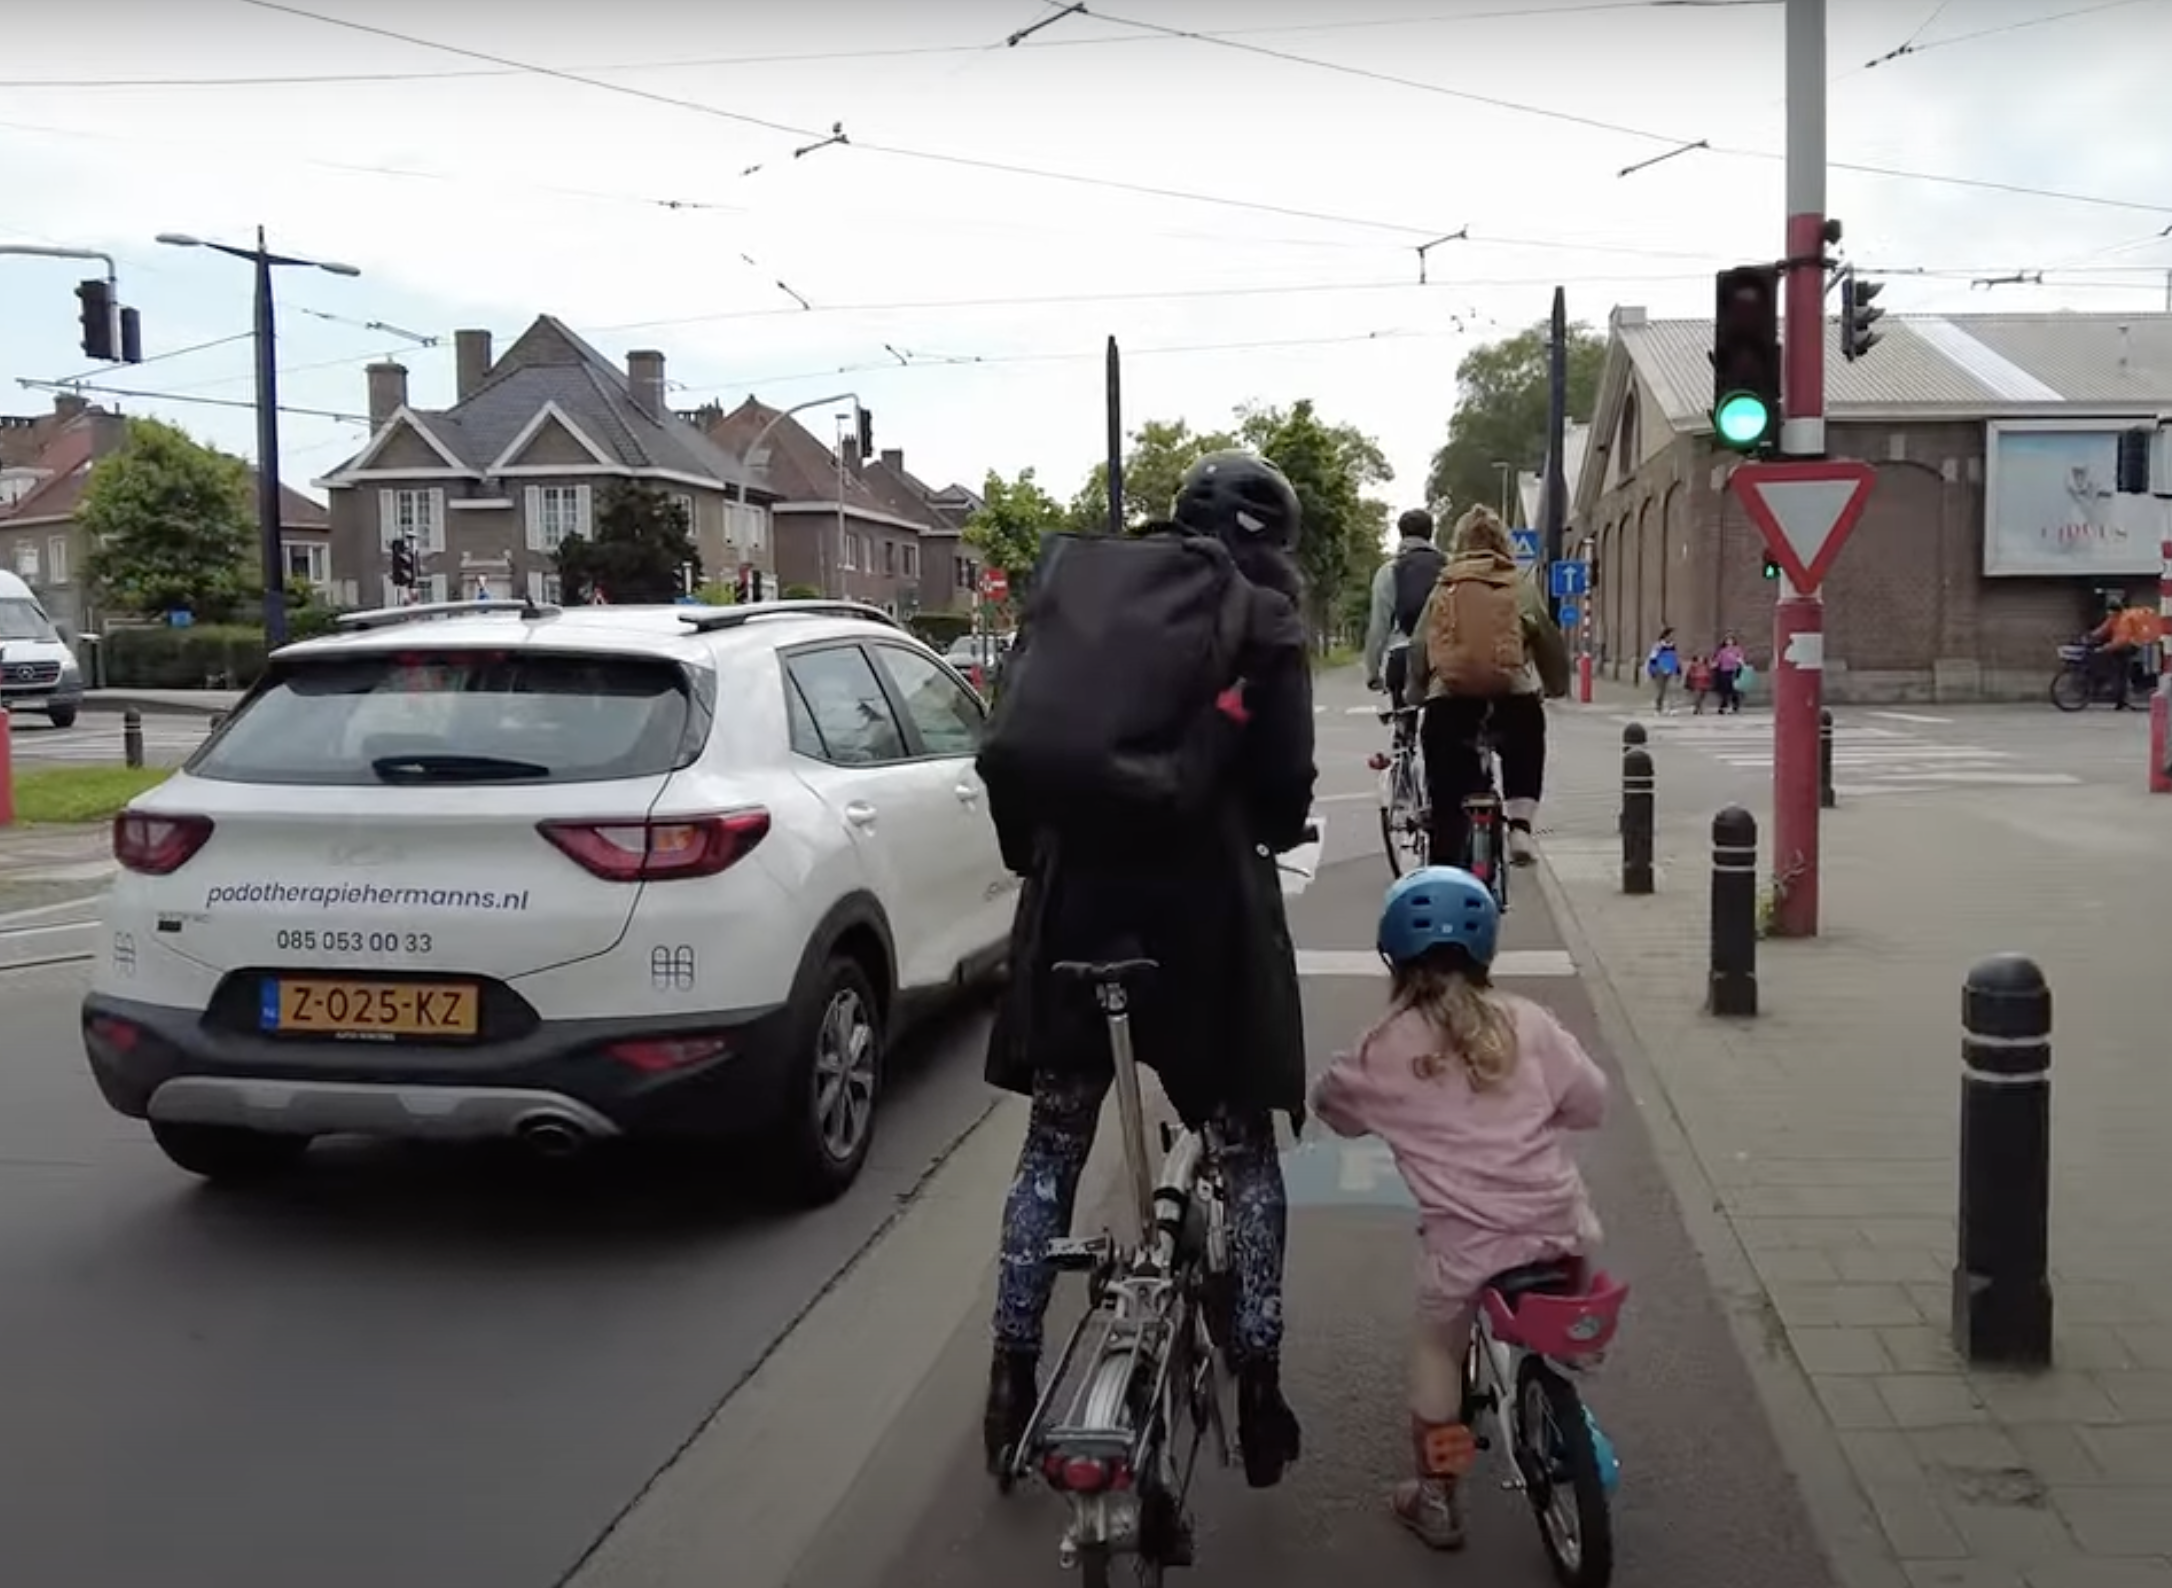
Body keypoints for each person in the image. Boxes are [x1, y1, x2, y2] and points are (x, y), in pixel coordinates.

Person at [978, 449, 1316, 1497]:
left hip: (1078, 900)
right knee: (1244, 1150)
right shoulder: (1264, 616)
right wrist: (1248, 819)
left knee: (1051, 1148)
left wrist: (1039, 856)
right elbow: (1283, 781)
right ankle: (1259, 1380)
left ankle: (1010, 1375)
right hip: (1204, 911)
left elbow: (1020, 752)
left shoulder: (1083, 601)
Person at [1309, 865, 1608, 1551]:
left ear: (1392, 954)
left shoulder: (1383, 1049)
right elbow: (1590, 1100)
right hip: (1560, 1231)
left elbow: (1333, 1108)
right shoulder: (1530, 1022)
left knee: (1436, 1352)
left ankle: (1437, 1495)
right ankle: (1564, 1389)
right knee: (1561, 1308)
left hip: (1466, 1253)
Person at [1403, 506, 1569, 872]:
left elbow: (1419, 646)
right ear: (1503, 543)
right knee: (1525, 744)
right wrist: (1556, 685)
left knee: (1447, 797)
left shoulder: (1445, 587)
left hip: (1450, 702)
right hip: (1511, 697)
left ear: (1459, 544)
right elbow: (1548, 640)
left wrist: (1416, 693)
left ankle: (1445, 864)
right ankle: (1520, 827)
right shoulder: (1519, 586)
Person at [1364, 507, 1449, 710]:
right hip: (1442, 657)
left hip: (1402, 655)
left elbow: (1379, 626)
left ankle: (1404, 732)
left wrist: (1373, 672)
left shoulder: (1388, 571)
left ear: (1401, 533)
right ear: (1431, 533)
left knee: (1402, 709)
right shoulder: (1450, 567)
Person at [2084, 599, 2159, 708]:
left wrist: (2105, 648)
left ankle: (2122, 699)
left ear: (2116, 610)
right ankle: (2120, 697)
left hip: (2127, 647)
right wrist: (2090, 636)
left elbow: (2121, 640)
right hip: (2118, 646)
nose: (2109, 613)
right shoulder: (2114, 617)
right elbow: (2104, 629)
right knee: (2117, 671)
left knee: (2121, 673)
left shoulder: (2125, 619)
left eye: (2111, 611)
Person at [1645, 626, 1679, 714]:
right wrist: (1652, 669)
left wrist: (1678, 667)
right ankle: (1658, 707)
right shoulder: (1659, 645)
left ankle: (1672, 707)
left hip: (1671, 669)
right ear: (1666, 635)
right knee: (1661, 691)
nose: (1673, 636)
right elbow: (1653, 657)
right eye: (1671, 634)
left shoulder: (1673, 645)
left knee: (1672, 689)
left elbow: (1674, 656)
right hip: (1660, 669)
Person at [1712, 632, 1746, 715]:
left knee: (1734, 689)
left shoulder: (1737, 649)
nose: (1729, 642)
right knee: (1724, 690)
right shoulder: (1722, 650)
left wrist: (1740, 662)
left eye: (1731, 640)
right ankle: (1723, 706)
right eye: (1727, 640)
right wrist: (1714, 664)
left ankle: (1735, 706)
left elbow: (1741, 659)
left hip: (1734, 671)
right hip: (1724, 671)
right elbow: (1718, 660)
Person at [1686, 651, 1714, 715]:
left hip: (1705, 682)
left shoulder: (1707, 666)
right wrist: (1695, 676)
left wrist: (1709, 677)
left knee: (1702, 696)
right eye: (1699, 658)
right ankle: (1698, 708)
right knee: (1697, 696)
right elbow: (1690, 674)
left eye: (1702, 658)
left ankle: (1699, 708)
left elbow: (1710, 673)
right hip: (1697, 682)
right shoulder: (1693, 665)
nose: (1701, 659)